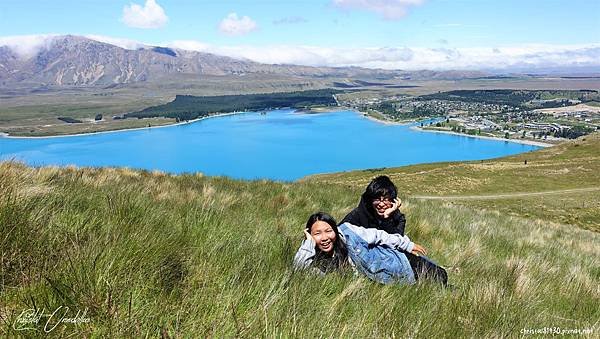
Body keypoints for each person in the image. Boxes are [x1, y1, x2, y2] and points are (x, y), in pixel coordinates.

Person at [341, 175, 448, 285]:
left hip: (396, 258)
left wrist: (387, 218)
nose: (381, 204)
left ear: (393, 201)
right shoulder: (356, 216)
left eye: (386, 199)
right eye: (377, 199)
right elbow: (341, 236)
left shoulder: (398, 218)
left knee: (440, 275)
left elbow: (396, 242)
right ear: (370, 199)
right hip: (371, 263)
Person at [293, 212, 428, 285]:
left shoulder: (348, 231)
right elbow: (298, 271)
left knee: (440, 275)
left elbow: (378, 235)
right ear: (310, 235)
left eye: (328, 231)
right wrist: (308, 244)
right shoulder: (311, 257)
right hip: (383, 282)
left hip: (395, 263)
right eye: (317, 233)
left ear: (335, 230)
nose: (324, 238)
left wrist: (407, 245)